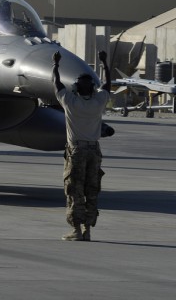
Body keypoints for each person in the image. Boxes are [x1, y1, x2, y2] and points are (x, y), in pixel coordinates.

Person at [52, 50, 111, 241]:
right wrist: (104, 63)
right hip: (94, 150)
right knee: (91, 190)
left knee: (74, 190)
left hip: (76, 151)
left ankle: (76, 230)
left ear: (76, 88)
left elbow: (56, 84)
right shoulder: (98, 102)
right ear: (93, 88)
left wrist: (56, 64)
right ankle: (88, 231)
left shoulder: (70, 102)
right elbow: (108, 85)